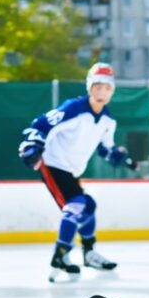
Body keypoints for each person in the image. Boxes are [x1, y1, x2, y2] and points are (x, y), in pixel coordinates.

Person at [18, 63, 138, 283]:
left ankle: (89, 253)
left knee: (88, 206)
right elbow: (42, 124)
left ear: (112, 91)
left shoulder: (107, 120)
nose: (102, 92)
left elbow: (104, 147)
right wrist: (31, 145)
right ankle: (60, 255)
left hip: (71, 170)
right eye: (97, 87)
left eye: (107, 88)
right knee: (76, 204)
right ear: (89, 87)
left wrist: (116, 156)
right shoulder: (74, 108)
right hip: (52, 164)